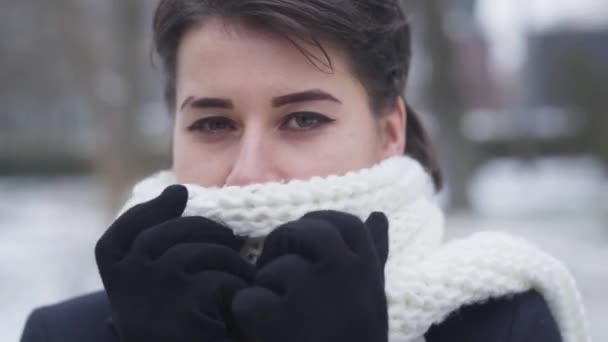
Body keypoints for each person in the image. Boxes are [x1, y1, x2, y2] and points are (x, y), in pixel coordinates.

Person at [21, 0, 590, 341]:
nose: (250, 173)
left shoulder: (500, 325)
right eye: (213, 125)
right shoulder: (66, 334)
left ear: (389, 131)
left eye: (303, 119)